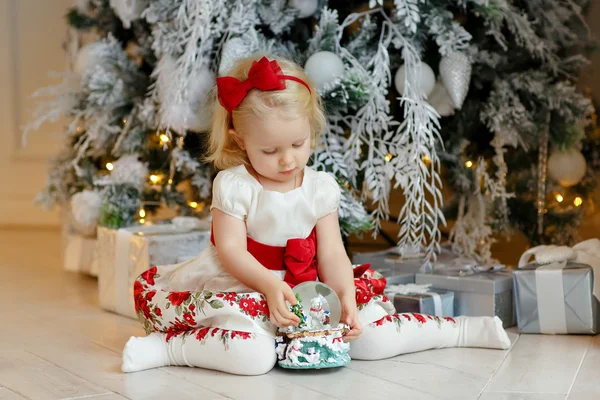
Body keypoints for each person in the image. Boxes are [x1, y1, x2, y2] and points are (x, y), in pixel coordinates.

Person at [121, 55, 510, 375]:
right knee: (254, 358)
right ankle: (169, 348)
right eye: (270, 151)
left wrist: (345, 299)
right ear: (240, 140)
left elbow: (332, 254)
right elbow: (230, 250)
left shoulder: (319, 186)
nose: (287, 159)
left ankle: (459, 331)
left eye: (297, 143)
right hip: (247, 285)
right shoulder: (236, 184)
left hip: (312, 291)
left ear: (311, 128)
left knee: (373, 340)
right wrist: (270, 287)